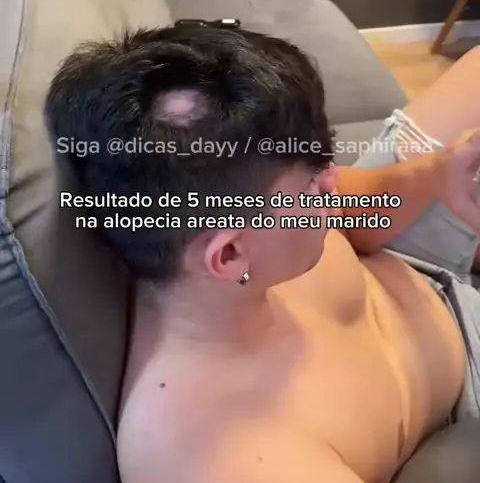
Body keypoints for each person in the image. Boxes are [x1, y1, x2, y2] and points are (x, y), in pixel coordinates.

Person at [44, 26, 480, 483]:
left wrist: (437, 174)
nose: (333, 180)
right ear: (230, 254)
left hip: (407, 265)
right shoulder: (231, 458)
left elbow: (358, 204)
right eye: (313, 183)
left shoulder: (222, 217)